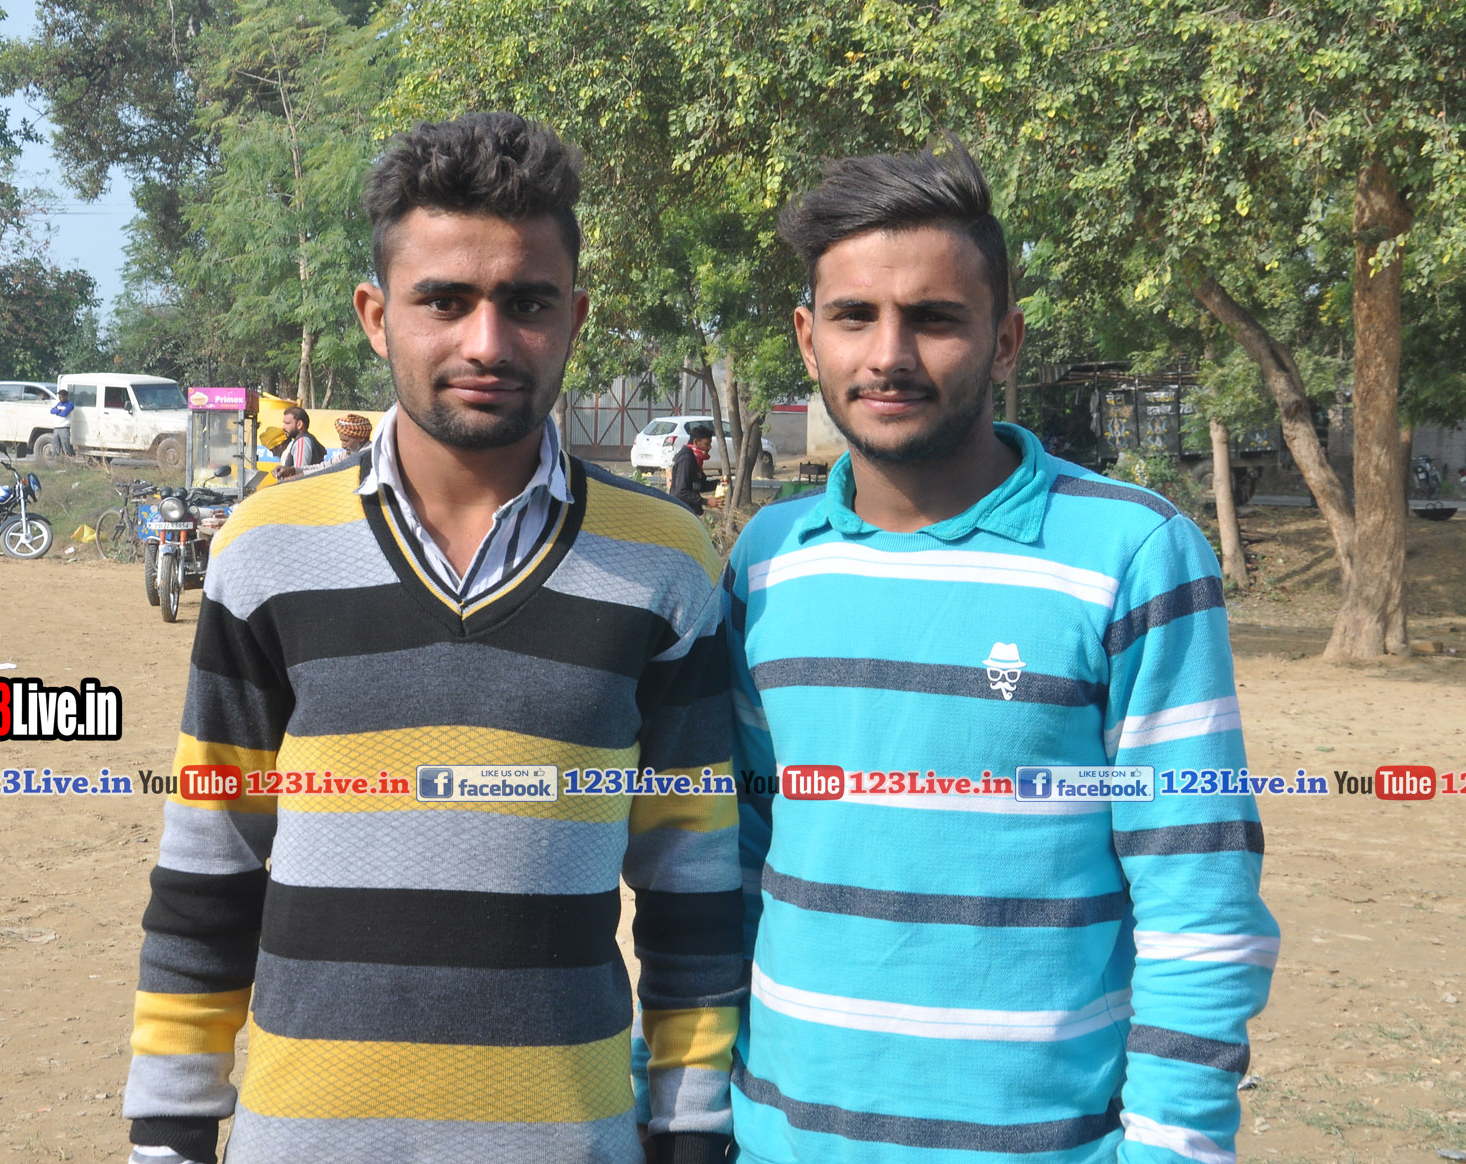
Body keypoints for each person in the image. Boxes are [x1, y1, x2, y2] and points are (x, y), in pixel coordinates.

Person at [121, 112, 743, 1164]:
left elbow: (693, 893)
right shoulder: (266, 550)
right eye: (444, 300)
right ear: (376, 315)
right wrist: (169, 1135)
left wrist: (691, 1129)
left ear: (574, 317)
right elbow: (209, 865)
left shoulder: (665, 561)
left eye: (526, 302)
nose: (487, 342)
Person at [724, 143, 1278, 1164]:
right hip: (781, 1140)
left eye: (935, 318)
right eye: (854, 316)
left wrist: (1171, 1148)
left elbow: (1198, 890)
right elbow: (737, 860)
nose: (888, 355)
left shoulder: (1133, 553)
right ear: (808, 339)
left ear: (1006, 340)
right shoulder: (768, 563)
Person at [670, 425, 716, 515]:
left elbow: (699, 486)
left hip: (689, 510)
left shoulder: (695, 459)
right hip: (681, 511)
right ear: (696, 442)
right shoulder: (686, 460)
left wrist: (719, 483)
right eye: (707, 444)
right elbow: (681, 492)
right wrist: (706, 502)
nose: (709, 447)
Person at [272, 405, 324, 479]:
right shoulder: (303, 440)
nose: (284, 427)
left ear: (299, 424)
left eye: (287, 423)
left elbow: (299, 475)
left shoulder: (302, 442)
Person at [49, 388, 76, 458]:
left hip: (64, 428)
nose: (60, 398)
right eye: (59, 397)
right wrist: (59, 411)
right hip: (56, 427)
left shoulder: (70, 404)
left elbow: (64, 414)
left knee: (65, 445)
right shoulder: (59, 404)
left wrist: (57, 411)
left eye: (62, 397)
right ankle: (57, 459)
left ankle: (69, 457)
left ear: (66, 396)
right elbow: (52, 411)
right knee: (56, 445)